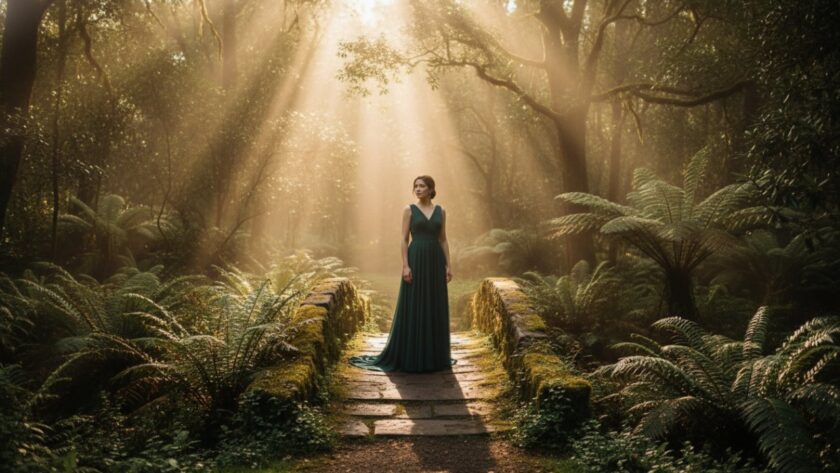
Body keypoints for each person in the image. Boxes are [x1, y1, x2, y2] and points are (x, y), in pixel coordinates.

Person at [348, 175, 457, 372]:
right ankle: (412, 354)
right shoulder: (409, 210)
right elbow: (403, 239)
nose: (418, 189)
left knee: (434, 303)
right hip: (416, 259)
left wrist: (449, 265)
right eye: (415, 186)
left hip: (435, 261)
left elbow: (443, 239)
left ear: (431, 189)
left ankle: (434, 356)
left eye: (422, 186)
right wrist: (405, 266)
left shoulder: (441, 211)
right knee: (415, 303)